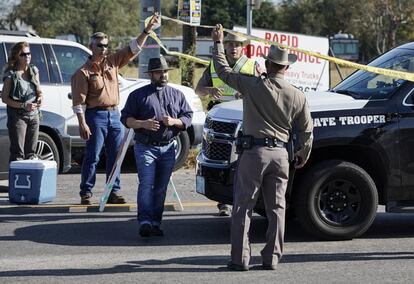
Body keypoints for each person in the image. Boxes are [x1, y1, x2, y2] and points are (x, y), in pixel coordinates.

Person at [211, 24, 313, 271]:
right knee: (277, 209)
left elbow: (223, 72)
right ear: (287, 68)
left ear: (267, 65)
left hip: (254, 154)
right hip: (281, 155)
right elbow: (307, 130)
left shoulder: (253, 86)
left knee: (243, 207)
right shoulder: (298, 95)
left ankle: (240, 259)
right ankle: (271, 258)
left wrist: (217, 43)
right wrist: (302, 154)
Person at [71, 13, 159, 205]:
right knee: (93, 155)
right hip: (95, 115)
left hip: (114, 114)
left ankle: (113, 191)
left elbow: (133, 48)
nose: (104, 49)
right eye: (100, 45)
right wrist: (82, 123)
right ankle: (86, 192)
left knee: (116, 156)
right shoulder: (83, 72)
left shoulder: (112, 62)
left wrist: (147, 30)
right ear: (91, 47)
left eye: (106, 45)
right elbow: (79, 102)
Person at [121, 56, 193, 238]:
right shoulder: (138, 95)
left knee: (161, 187)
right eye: (160, 72)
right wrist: (142, 124)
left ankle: (156, 222)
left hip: (168, 148)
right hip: (145, 147)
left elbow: (188, 117)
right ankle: (144, 222)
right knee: (146, 184)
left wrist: (175, 121)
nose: (164, 75)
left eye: (166, 71)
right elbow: (126, 119)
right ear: (151, 74)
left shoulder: (177, 95)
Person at [196, 33, 261, 217]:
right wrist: (209, 90)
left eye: (237, 45)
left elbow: (263, 91)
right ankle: (224, 203)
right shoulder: (214, 65)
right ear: (224, 47)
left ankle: (246, 202)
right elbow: (198, 90)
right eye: (230, 44)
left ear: (243, 48)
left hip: (245, 119)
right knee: (223, 164)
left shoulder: (252, 66)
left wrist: (248, 95)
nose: (233, 48)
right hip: (221, 123)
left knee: (244, 163)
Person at [1, 42, 42, 162]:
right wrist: (24, 105)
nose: (27, 56)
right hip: (18, 117)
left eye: (28, 53)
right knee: (18, 154)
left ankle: (30, 180)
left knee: (31, 154)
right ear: (17, 56)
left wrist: (40, 99)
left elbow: (39, 91)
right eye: (23, 54)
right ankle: (17, 180)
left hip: (34, 116)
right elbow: (5, 98)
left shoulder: (34, 71)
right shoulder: (11, 75)